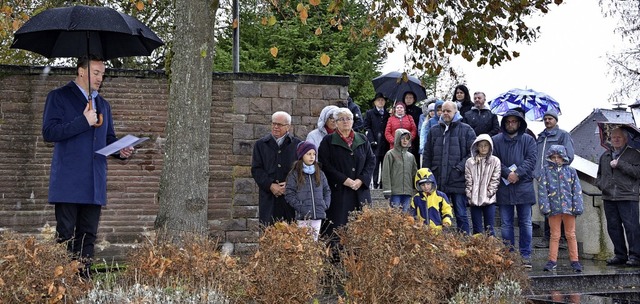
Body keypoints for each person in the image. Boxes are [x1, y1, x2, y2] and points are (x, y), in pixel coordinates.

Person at [42, 55, 134, 278]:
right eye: (96, 72)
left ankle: (84, 281)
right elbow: (49, 133)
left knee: (88, 236)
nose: (100, 77)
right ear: (81, 71)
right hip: (69, 181)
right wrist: (83, 121)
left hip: (94, 181)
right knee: (66, 236)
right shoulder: (59, 97)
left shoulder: (103, 104)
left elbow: (108, 138)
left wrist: (120, 151)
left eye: (102, 73)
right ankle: (62, 283)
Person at [318, 108, 376, 244]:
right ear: (336, 122)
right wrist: (345, 180)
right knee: (338, 230)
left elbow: (371, 161)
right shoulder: (328, 141)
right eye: (341, 119)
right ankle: (336, 260)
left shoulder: (362, 139)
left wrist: (361, 180)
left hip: (360, 193)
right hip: (339, 192)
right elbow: (325, 165)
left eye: (348, 118)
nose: (345, 121)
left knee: (361, 230)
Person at [491, 109, 537, 268]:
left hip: (524, 186)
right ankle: (508, 255)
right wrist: (507, 173)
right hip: (504, 187)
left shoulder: (528, 140)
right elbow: (493, 160)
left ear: (519, 123)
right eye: (508, 121)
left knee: (525, 223)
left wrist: (517, 173)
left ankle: (525, 255)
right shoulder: (495, 140)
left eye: (514, 121)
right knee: (506, 224)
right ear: (504, 123)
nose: (511, 124)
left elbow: (531, 160)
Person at [423, 101, 476, 234]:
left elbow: (473, 153)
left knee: (461, 213)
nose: (445, 113)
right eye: (443, 110)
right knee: (438, 214)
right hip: (438, 179)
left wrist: (459, 168)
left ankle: (465, 241)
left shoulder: (466, 130)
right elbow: (427, 154)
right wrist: (426, 175)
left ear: (455, 112)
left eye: (448, 111)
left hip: (458, 179)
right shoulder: (434, 130)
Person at [596, 127, 640, 266]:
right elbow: (599, 175)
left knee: (632, 227)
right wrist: (602, 185)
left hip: (628, 196)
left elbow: (637, 173)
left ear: (625, 139)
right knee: (613, 227)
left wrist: (620, 164)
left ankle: (635, 256)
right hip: (609, 197)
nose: (615, 139)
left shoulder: (634, 154)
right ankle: (620, 255)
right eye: (613, 137)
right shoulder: (605, 156)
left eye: (618, 137)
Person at [538, 145, 584, 272]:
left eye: (559, 157)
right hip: (553, 209)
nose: (557, 159)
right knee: (555, 235)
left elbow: (577, 190)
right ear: (550, 158)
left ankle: (575, 260)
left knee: (570, 234)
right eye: (554, 157)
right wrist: (545, 207)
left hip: (569, 208)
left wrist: (577, 206)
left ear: (564, 157)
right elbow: (542, 190)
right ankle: (552, 260)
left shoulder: (571, 171)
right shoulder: (545, 171)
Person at [534, 109, 575, 249]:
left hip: (558, 177)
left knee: (560, 206)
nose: (547, 121)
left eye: (550, 119)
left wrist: (560, 166)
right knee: (548, 207)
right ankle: (548, 237)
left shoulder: (563, 134)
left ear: (556, 120)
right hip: (543, 176)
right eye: (545, 119)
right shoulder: (541, 137)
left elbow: (569, 155)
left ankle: (561, 238)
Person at [251, 111, 301, 226]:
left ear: (288, 127)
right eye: (274, 124)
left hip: (290, 197)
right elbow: (256, 169)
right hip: (268, 198)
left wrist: (290, 184)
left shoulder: (298, 144)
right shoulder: (261, 144)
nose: (275, 127)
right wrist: (270, 185)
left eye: (279, 124)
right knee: (268, 233)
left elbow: (301, 169)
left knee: (290, 235)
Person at [284, 141, 331, 241]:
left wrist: (324, 204)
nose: (312, 157)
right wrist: (300, 207)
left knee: (314, 242)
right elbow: (289, 194)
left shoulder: (320, 173)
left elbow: (326, 190)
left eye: (314, 154)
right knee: (303, 243)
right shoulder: (294, 174)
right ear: (302, 155)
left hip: (318, 215)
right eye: (308, 154)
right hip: (303, 216)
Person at [465, 134, 501, 236]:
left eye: (486, 145)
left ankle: (491, 250)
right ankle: (477, 250)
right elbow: (468, 180)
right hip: (474, 200)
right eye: (480, 145)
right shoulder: (470, 162)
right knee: (476, 228)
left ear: (490, 147)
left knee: (489, 228)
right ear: (476, 146)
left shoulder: (495, 161)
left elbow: (495, 179)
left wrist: (489, 193)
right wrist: (470, 194)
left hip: (489, 199)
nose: (483, 148)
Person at [381, 128, 418, 212]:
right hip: (395, 192)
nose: (405, 141)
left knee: (406, 216)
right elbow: (386, 173)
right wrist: (387, 191)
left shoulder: (411, 157)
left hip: (408, 192)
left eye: (407, 139)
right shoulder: (390, 154)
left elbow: (414, 173)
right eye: (402, 138)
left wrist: (417, 187)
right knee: (395, 215)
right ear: (398, 139)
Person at [364, 93, 390, 189]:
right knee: (375, 164)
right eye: (378, 100)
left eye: (382, 100)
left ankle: (383, 183)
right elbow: (367, 127)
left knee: (385, 165)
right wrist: (371, 140)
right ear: (375, 102)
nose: (380, 102)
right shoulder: (370, 113)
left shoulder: (388, 114)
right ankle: (374, 183)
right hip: (375, 143)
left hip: (385, 143)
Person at [403, 91, 423, 164]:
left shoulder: (419, 110)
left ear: (414, 99)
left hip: (415, 138)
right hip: (403, 137)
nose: (408, 99)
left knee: (414, 160)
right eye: (406, 98)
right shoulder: (400, 109)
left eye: (410, 98)